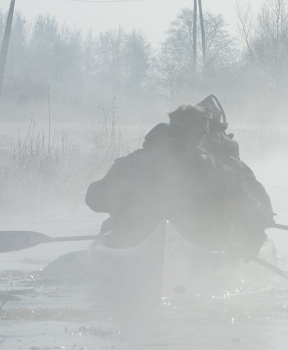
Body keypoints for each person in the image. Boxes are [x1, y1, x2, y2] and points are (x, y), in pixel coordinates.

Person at [85, 103, 274, 257]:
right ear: (203, 136)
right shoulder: (217, 169)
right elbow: (252, 212)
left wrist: (121, 200)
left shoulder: (131, 163)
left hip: (134, 245)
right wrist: (251, 239)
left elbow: (94, 199)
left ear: (171, 131)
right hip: (203, 246)